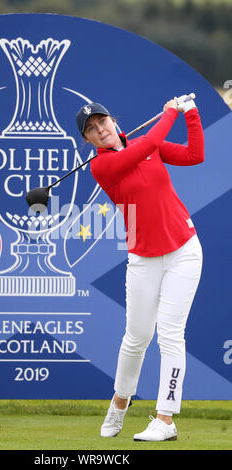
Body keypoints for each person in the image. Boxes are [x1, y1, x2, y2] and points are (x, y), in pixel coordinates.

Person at [75, 96, 204, 441]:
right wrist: (167, 113)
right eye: (91, 129)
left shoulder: (151, 147)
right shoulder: (101, 167)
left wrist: (190, 114)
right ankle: (120, 402)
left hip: (183, 251)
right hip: (143, 258)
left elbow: (195, 155)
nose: (100, 129)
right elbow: (147, 143)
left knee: (171, 334)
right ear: (88, 140)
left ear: (113, 122)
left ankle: (165, 418)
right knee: (137, 337)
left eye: (102, 121)